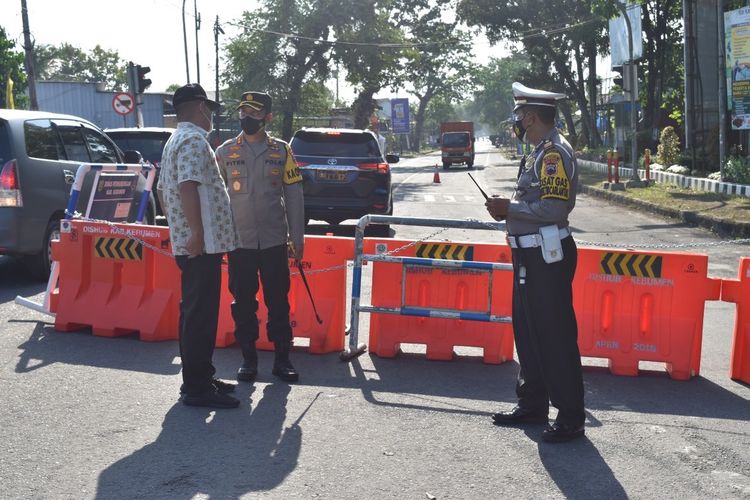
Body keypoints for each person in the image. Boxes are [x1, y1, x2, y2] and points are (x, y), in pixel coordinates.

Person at [484, 82, 585, 443]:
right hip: (529, 254)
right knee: (528, 331)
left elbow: (555, 209)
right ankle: (532, 404)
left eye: (520, 115)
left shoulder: (554, 153)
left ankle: (570, 416)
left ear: (530, 116)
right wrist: (507, 211)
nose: (517, 122)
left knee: (553, 335)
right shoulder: (539, 151)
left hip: (547, 255)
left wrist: (508, 208)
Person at [158, 83, 240, 409]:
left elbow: (164, 191)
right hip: (201, 244)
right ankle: (197, 388)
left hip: (193, 242)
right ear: (200, 108)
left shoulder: (174, 140)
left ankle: (199, 378)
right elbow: (186, 186)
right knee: (200, 317)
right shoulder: (193, 140)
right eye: (210, 110)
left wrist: (182, 231)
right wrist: (195, 233)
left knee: (193, 314)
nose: (211, 117)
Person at [215, 91, 305, 383]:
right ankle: (248, 359)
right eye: (243, 112)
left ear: (268, 117)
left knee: (278, 301)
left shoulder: (282, 151)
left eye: (254, 113)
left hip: (274, 240)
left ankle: (282, 358)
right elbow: (216, 197)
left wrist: (298, 236)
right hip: (239, 241)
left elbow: (293, 194)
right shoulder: (225, 152)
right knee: (242, 302)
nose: (247, 118)